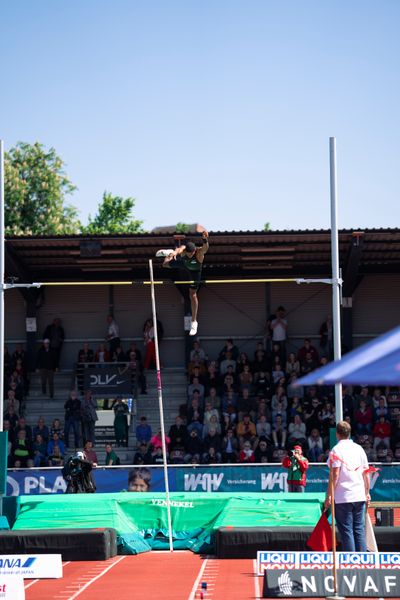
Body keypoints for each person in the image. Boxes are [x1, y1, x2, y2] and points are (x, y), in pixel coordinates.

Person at [324, 420, 370, 552]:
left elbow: (335, 475)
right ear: (349, 433)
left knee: (346, 530)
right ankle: (362, 561)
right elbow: (366, 473)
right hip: (359, 494)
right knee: (359, 529)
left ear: (337, 434)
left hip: (343, 496)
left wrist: (329, 495)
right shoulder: (359, 449)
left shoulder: (336, 450)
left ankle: (351, 563)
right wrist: (367, 492)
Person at [157, 229, 209, 336]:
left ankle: (194, 322)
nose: (189, 255)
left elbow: (206, 248)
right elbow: (179, 250)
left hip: (195, 271)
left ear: (194, 251)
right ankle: (168, 252)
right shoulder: (184, 250)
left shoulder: (199, 252)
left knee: (192, 294)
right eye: (188, 254)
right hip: (184, 264)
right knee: (165, 264)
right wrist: (173, 253)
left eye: (191, 254)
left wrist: (205, 240)